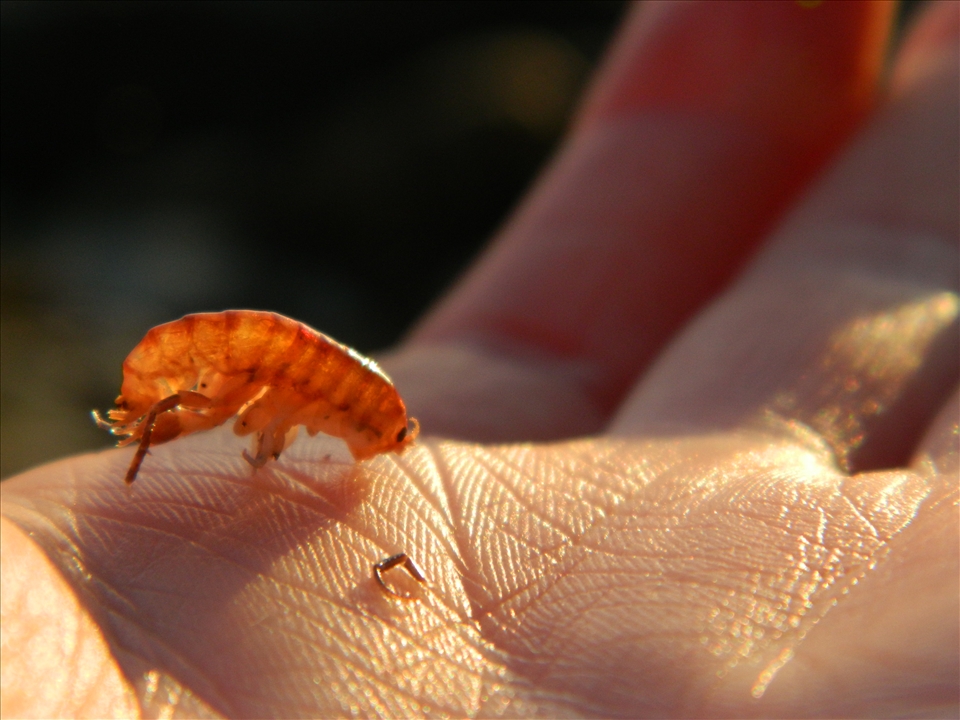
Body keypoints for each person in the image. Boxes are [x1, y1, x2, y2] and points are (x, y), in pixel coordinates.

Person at [2, 1, 956, 717]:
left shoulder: (314, 403)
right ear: (365, 415)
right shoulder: (305, 392)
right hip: (215, 364)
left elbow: (269, 428)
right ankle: (145, 425)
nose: (378, 447)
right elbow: (263, 416)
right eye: (383, 432)